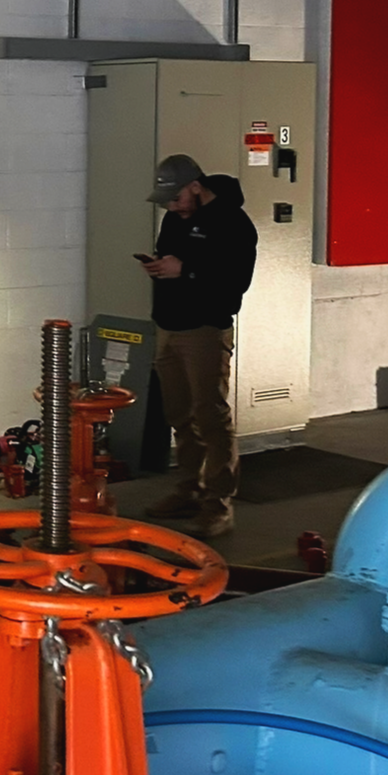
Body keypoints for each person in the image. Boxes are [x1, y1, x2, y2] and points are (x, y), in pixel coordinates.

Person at [139, 154, 256, 539]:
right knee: (179, 415)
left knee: (211, 417)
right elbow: (173, 257)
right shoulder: (175, 219)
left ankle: (218, 504)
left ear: (196, 186)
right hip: (169, 326)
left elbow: (235, 281)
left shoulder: (234, 224)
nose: (171, 207)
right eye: (166, 201)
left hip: (205, 330)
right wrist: (160, 267)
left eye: (176, 198)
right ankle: (190, 488)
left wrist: (183, 270)